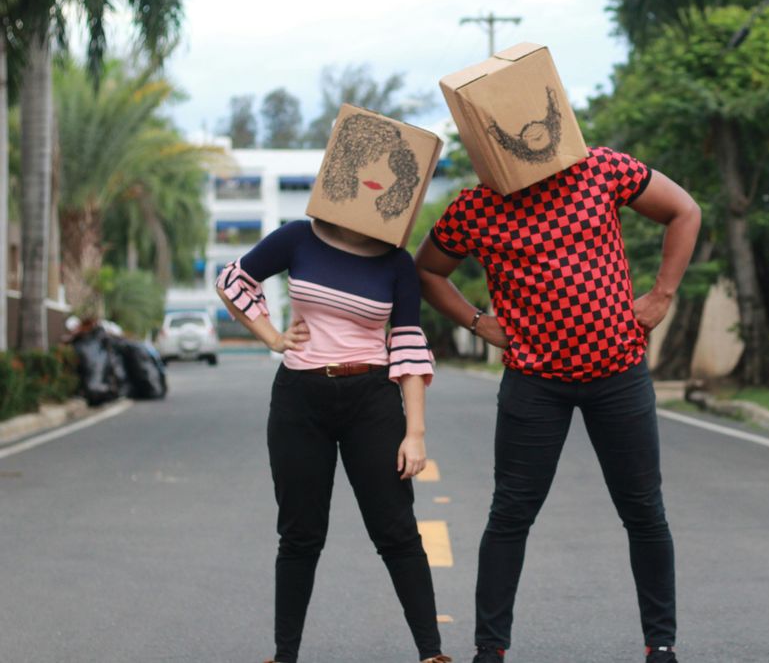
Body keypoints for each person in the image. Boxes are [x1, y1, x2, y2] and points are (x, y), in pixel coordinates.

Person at [414, 146, 701, 663]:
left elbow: (685, 209)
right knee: (511, 514)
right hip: (534, 380)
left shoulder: (601, 168)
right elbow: (427, 271)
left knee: (643, 512)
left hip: (618, 371)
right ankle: (490, 650)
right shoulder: (475, 208)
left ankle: (661, 645)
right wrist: (479, 321)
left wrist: (662, 293)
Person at [215, 218, 451, 663]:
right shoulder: (298, 237)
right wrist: (271, 336)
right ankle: (284, 656)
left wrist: (415, 433)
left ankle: (431, 654)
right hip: (298, 401)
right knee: (299, 534)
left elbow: (406, 342)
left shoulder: (397, 262)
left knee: (396, 531)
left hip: (372, 400)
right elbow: (233, 279)